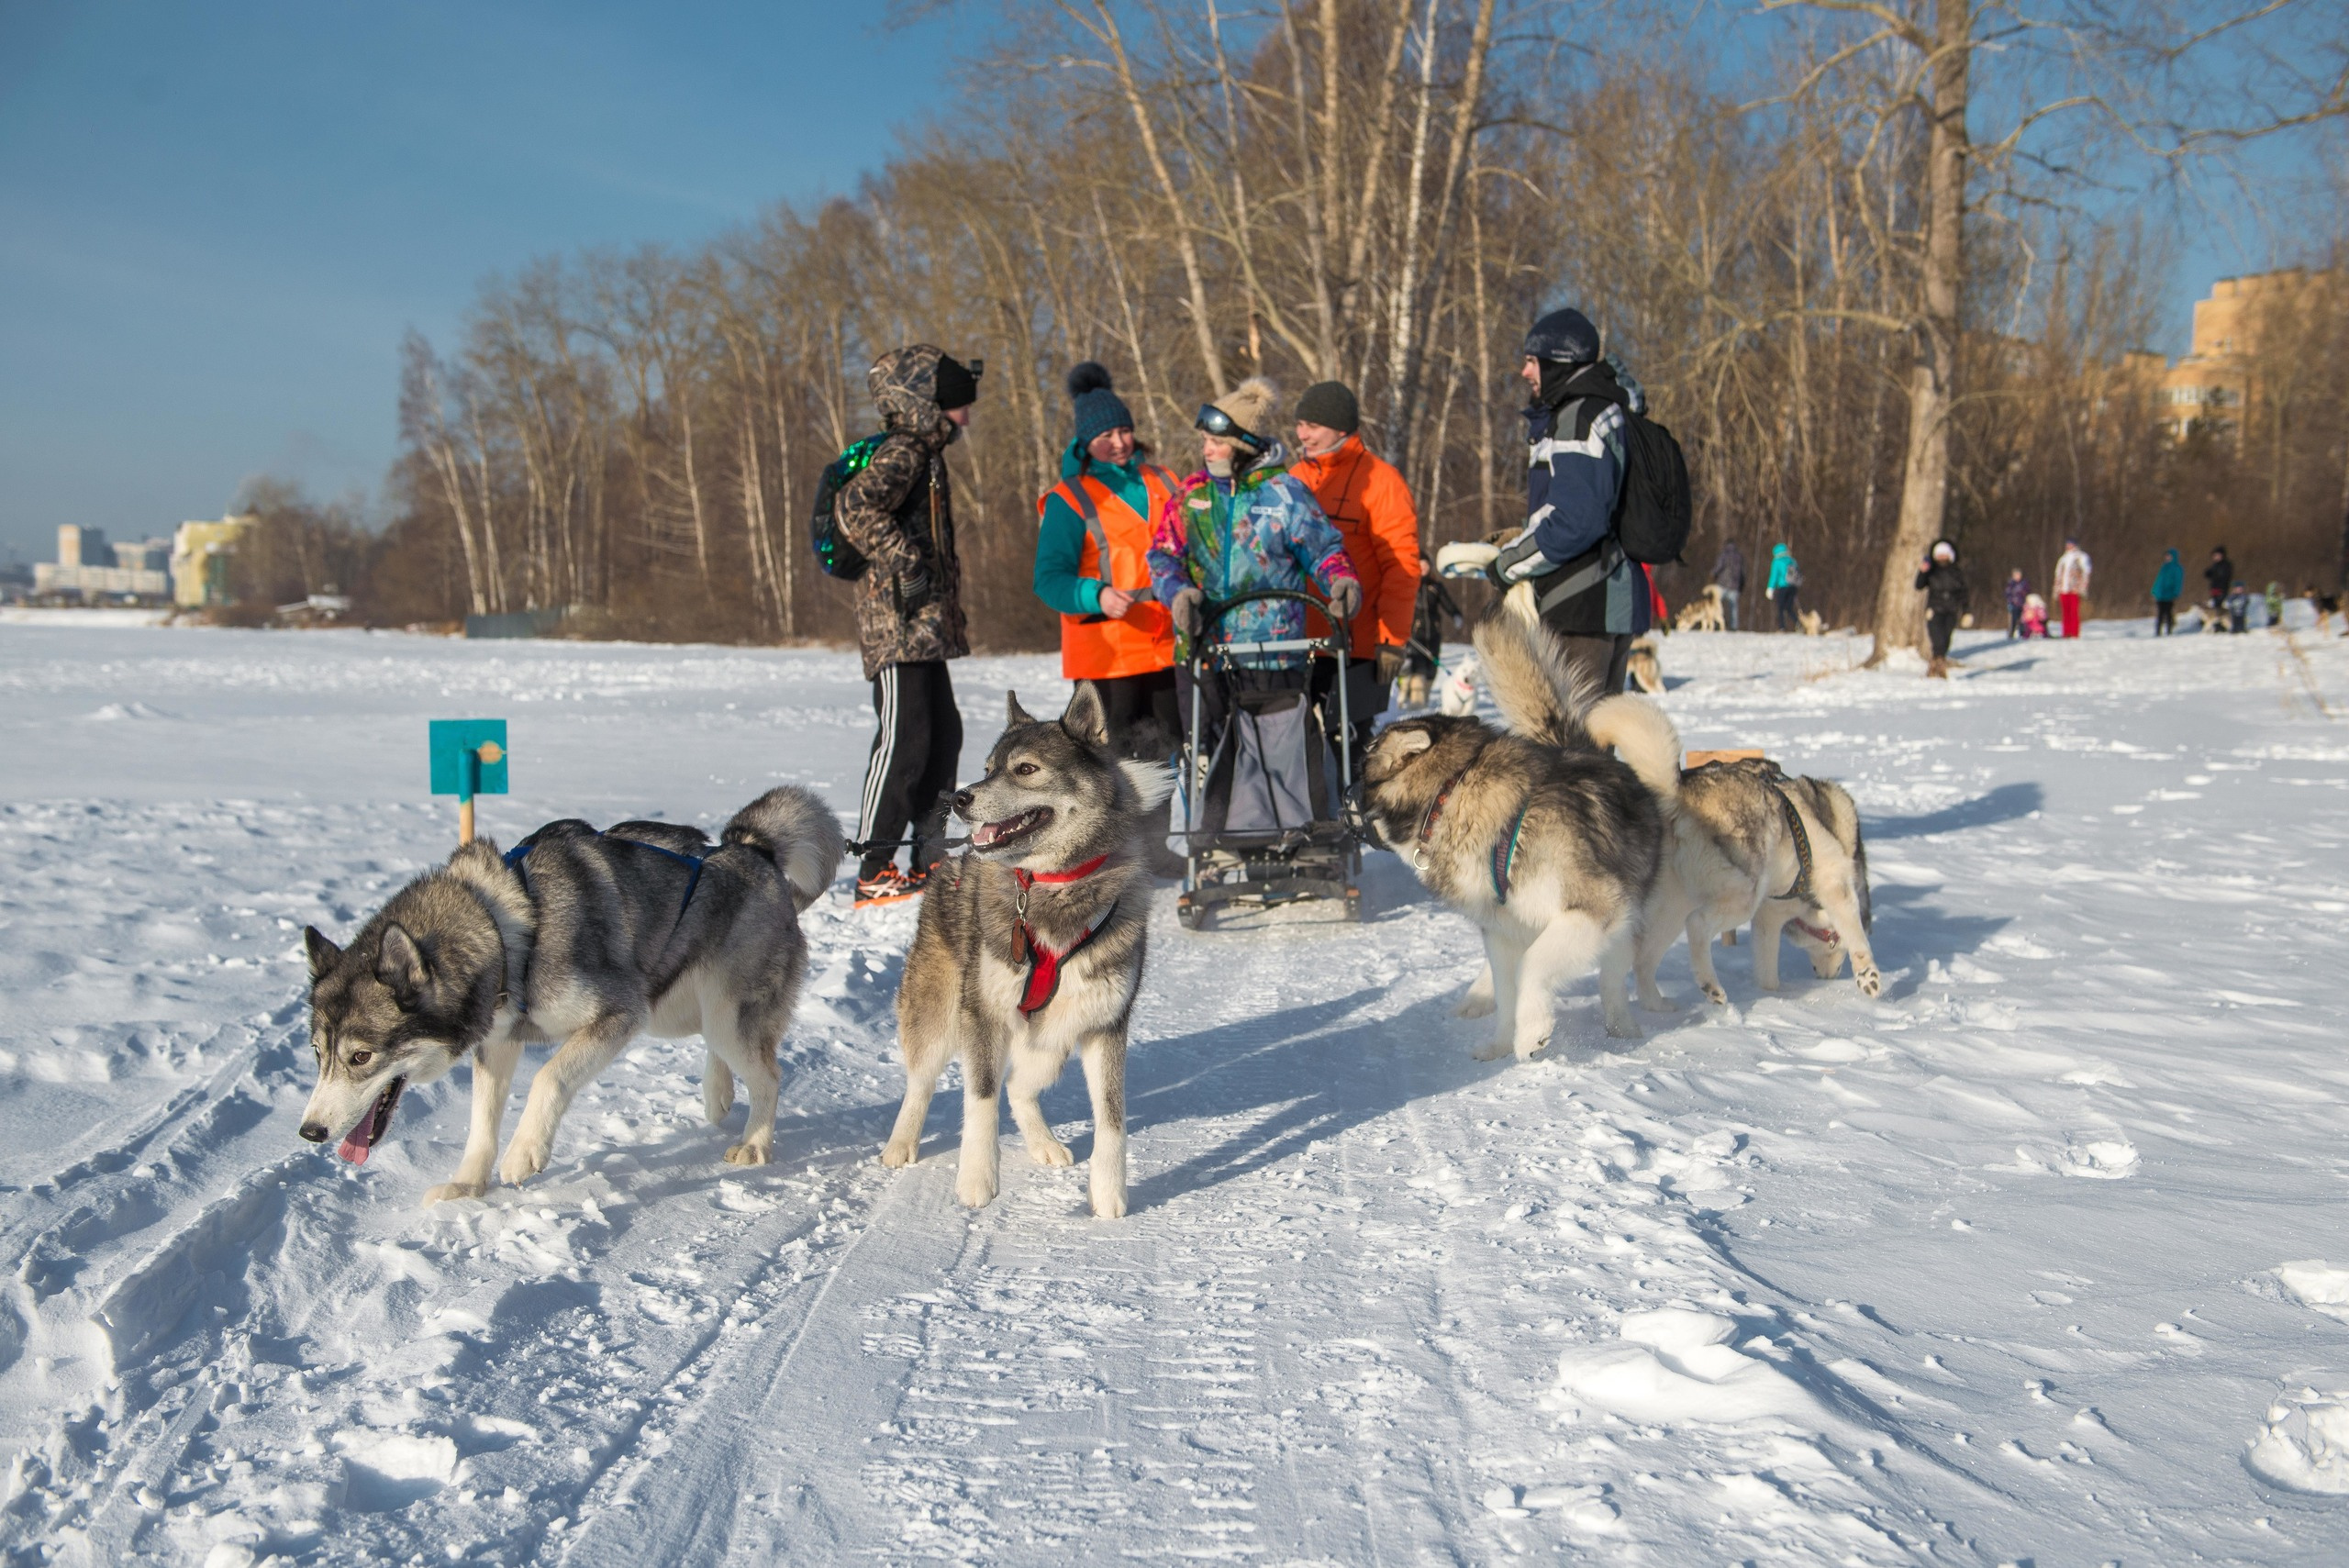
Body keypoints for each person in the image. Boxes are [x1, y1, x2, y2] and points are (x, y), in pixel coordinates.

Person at [838, 344, 979, 908]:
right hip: (897, 625)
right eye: (957, 401)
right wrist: (907, 562)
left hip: (925, 629)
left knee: (944, 734)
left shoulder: (928, 452)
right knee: (902, 742)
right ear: (929, 401)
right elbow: (856, 508)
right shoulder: (904, 451)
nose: (967, 411)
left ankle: (930, 853)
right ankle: (875, 865)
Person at [1146, 375, 1360, 741]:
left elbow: (1323, 550)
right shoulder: (1192, 494)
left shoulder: (1285, 493)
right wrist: (1178, 594)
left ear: (1243, 445)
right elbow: (1163, 556)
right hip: (1203, 651)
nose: (1207, 450)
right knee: (1213, 767)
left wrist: (1341, 582)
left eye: (1216, 442)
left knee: (1273, 762)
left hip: (1273, 655)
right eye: (1205, 442)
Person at [1486, 308, 1653, 694]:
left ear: (1557, 361)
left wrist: (1508, 563)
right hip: (1610, 600)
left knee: (1570, 749)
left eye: (1532, 361)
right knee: (1593, 747)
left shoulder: (1579, 416)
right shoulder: (1608, 408)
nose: (1525, 372)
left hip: (1582, 603)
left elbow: (1576, 520)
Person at [1033, 362, 1180, 760]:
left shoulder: (1165, 481)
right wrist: (1095, 595)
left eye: (1125, 431)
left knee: (1163, 767)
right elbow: (1048, 579)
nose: (1119, 442)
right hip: (1106, 658)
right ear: (1085, 442)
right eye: (1106, 435)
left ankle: (1163, 827)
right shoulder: (1069, 498)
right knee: (1113, 774)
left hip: (1167, 648)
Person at [1288, 380, 1422, 773]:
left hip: (1357, 647)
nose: (1302, 433)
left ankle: (1352, 827)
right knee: (1296, 746)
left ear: (1341, 427)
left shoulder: (1382, 482)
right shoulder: (1293, 478)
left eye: (1312, 424)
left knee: (1350, 749)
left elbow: (1401, 568)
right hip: (1297, 642)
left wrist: (1391, 640)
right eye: (1299, 424)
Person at [1398, 574, 1464, 707]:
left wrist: (1455, 614)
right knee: (1419, 668)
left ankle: (1424, 699)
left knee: (1431, 670)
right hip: (1415, 634)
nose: (1423, 568)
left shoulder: (1435, 587)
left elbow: (1447, 602)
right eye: (1420, 564)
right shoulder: (1408, 585)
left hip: (1433, 633)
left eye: (1425, 564)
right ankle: (1417, 702)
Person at [1915, 539, 1967, 678]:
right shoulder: (1931, 571)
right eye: (1939, 555)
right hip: (1934, 609)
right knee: (1937, 638)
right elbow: (1919, 585)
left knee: (1946, 639)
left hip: (1951, 609)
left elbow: (1963, 593)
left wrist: (1966, 611)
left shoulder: (1956, 572)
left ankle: (1936, 662)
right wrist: (1922, 572)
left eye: (1944, 555)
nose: (1942, 558)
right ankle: (1938, 663)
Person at [2054, 537, 2091, 639]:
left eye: (2070, 544)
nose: (2068, 546)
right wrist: (2056, 590)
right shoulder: (2063, 558)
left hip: (2075, 589)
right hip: (2063, 589)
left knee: (2074, 611)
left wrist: (2082, 588)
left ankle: (2074, 633)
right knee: (2065, 612)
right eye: (2067, 544)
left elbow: (2086, 572)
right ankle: (2066, 633)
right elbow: (2058, 574)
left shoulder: (2081, 557)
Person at [1711, 538, 1746, 630]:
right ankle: (1733, 627)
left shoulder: (1724, 555)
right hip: (1735, 585)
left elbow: (1718, 567)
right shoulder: (1739, 556)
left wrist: (1713, 574)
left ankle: (1715, 624)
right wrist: (1742, 584)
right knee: (1733, 608)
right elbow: (1742, 572)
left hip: (1722, 584)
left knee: (1716, 605)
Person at [1768, 542, 1802, 630]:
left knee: (1780, 607)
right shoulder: (1792, 560)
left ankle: (1782, 627)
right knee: (1789, 607)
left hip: (1783, 586)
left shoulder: (1777, 561)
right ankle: (1799, 624)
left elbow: (1774, 576)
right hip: (1793, 587)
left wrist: (1770, 588)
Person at [2151, 549, 2183, 637]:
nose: (2167, 558)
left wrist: (2176, 592)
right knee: (2160, 614)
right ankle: (2158, 631)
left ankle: (2169, 631)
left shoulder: (2177, 568)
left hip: (2169, 594)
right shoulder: (2164, 567)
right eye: (2166, 556)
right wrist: (2154, 591)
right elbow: (2159, 581)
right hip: (2160, 594)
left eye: (2169, 556)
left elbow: (2178, 582)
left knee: (2168, 613)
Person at [2204, 546, 2233, 617]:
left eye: (2217, 555)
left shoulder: (2226, 565)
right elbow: (2209, 574)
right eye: (2214, 556)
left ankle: (2222, 618)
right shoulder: (2215, 565)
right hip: (2214, 588)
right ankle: (2217, 619)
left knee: (2221, 604)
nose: (2215, 557)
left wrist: (2217, 575)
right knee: (2215, 604)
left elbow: (2225, 576)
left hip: (2222, 588)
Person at [2004, 569, 2029, 639]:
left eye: (2019, 575)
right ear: (2013, 576)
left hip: (2022, 605)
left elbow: (2027, 592)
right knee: (2013, 620)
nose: (2018, 577)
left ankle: (2022, 633)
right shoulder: (2011, 584)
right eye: (2016, 575)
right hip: (2013, 605)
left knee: (2022, 620)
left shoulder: (2024, 583)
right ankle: (2011, 634)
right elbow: (2007, 594)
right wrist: (2010, 602)